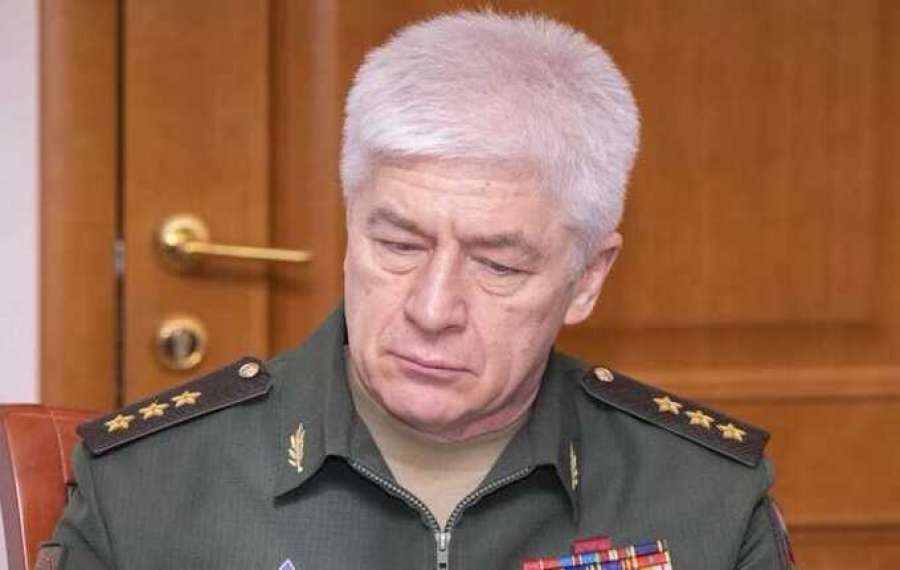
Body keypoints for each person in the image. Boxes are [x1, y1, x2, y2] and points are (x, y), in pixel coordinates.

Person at [42, 10, 794, 570]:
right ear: (350, 226)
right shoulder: (151, 484)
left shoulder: (702, 497)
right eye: (399, 245)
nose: (432, 311)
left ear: (587, 279)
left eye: (498, 266)